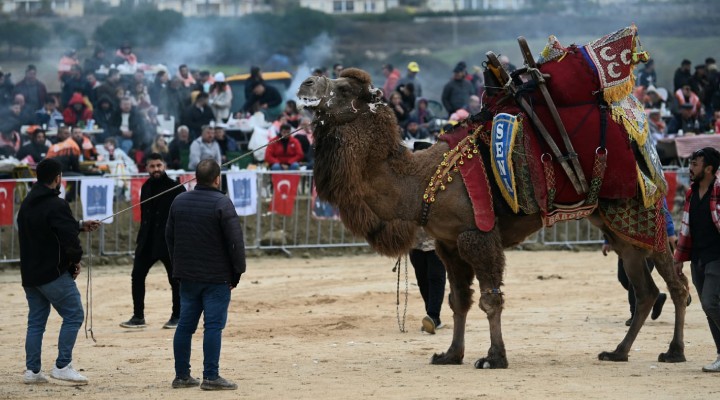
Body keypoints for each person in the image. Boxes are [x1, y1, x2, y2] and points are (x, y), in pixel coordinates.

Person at [17, 158, 100, 384]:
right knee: (74, 314)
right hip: (51, 273)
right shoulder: (57, 204)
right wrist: (74, 262)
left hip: (30, 275)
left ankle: (32, 372)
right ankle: (63, 365)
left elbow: (53, 227)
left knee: (36, 322)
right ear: (58, 178)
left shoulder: (27, 203)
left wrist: (80, 223)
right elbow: (68, 238)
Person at [166, 159, 246, 390]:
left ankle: (182, 376)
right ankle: (211, 376)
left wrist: (177, 266)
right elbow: (235, 243)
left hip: (187, 276)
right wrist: (237, 273)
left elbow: (169, 237)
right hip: (216, 277)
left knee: (184, 326)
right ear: (217, 179)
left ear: (195, 177)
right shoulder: (222, 202)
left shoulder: (178, 201)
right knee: (213, 327)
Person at [119, 153, 186, 329]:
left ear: (164, 166)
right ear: (147, 168)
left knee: (175, 280)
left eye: (159, 165)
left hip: (168, 242)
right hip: (147, 241)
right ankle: (138, 316)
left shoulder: (176, 187)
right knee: (137, 276)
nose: (156, 169)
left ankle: (178, 316)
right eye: (152, 166)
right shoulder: (146, 187)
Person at [674, 147, 720, 373]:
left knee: (711, 302)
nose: (690, 168)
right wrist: (678, 259)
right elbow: (686, 228)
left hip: (717, 258)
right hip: (698, 259)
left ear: (709, 169)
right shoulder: (692, 193)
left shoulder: (719, 190)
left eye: (695, 164)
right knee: (708, 307)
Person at [602, 199, 675, 326]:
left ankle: (634, 314)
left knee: (633, 280)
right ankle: (656, 298)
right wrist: (607, 241)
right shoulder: (621, 191)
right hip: (626, 243)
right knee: (624, 279)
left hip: (647, 240)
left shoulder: (648, 185)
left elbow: (663, 210)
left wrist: (670, 232)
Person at [410, 142, 446, 334]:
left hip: (437, 237)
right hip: (415, 239)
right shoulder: (408, 185)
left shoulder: (442, 181)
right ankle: (431, 313)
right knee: (422, 277)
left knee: (435, 276)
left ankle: (434, 315)